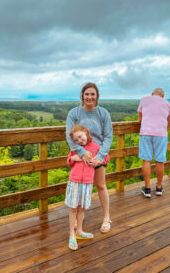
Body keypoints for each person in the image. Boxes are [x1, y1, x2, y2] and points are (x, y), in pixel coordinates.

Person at [66, 82, 113, 233]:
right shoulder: (74, 113)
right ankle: (80, 217)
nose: (90, 97)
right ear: (82, 96)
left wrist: (99, 157)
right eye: (87, 94)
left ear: (97, 96)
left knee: (100, 186)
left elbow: (108, 137)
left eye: (93, 94)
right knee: (81, 187)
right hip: (81, 157)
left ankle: (106, 217)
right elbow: (69, 137)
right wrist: (82, 153)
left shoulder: (103, 113)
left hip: (98, 155)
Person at [65, 125, 110, 250]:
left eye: (80, 137)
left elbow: (106, 157)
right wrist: (73, 158)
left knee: (82, 208)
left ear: (86, 132)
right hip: (75, 181)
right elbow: (69, 161)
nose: (79, 141)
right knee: (74, 208)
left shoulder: (96, 147)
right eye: (76, 140)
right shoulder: (76, 148)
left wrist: (97, 161)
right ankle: (72, 235)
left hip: (87, 183)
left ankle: (79, 231)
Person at [138, 87, 170, 198]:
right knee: (160, 160)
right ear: (163, 96)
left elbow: (140, 119)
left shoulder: (144, 99)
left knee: (146, 160)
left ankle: (147, 189)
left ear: (152, 94)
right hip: (161, 134)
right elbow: (169, 124)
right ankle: (158, 188)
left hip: (146, 132)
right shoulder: (167, 103)